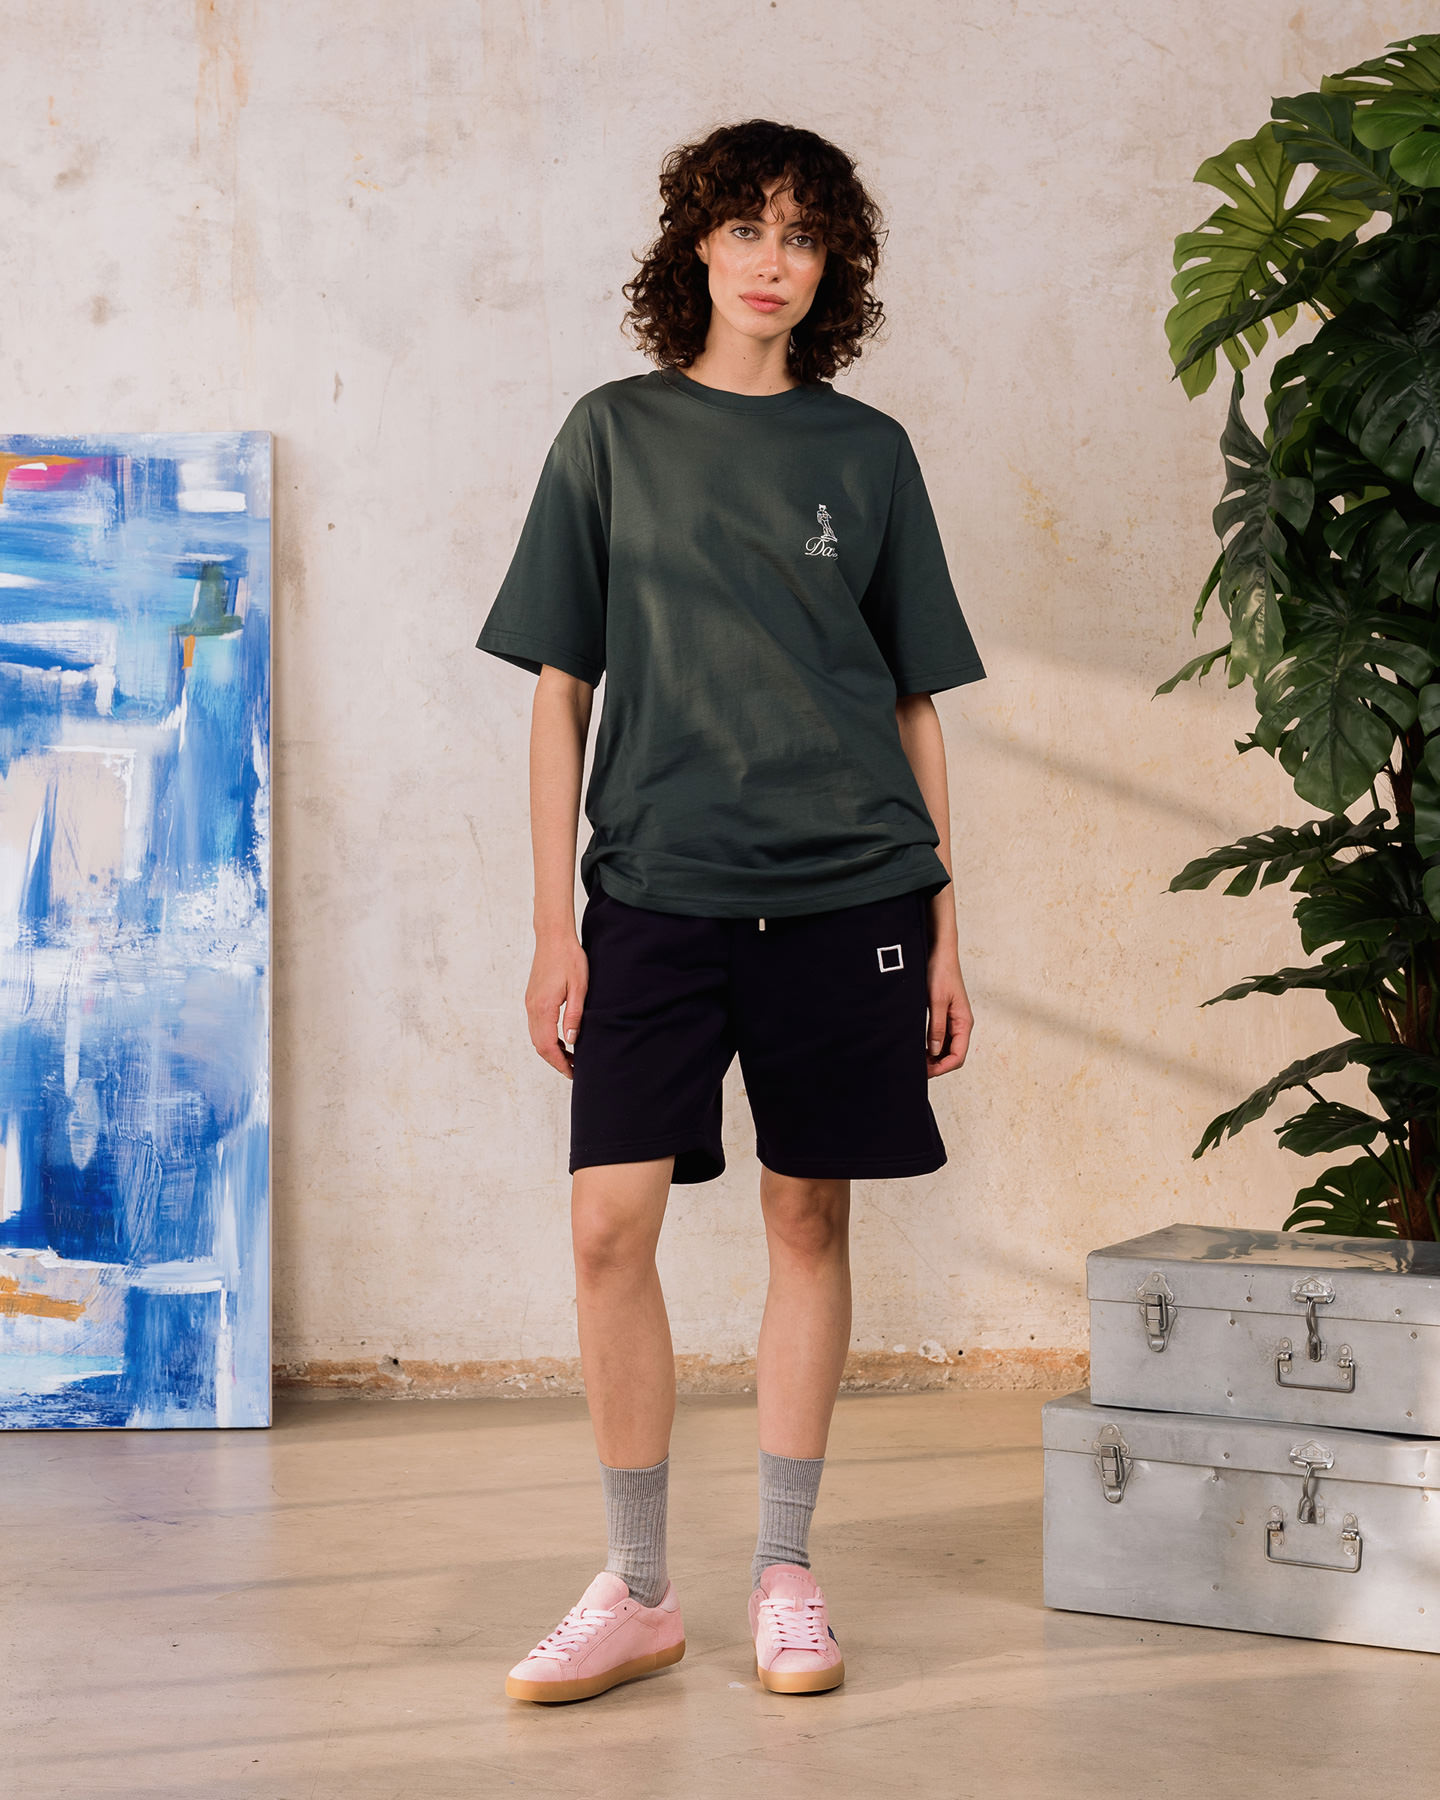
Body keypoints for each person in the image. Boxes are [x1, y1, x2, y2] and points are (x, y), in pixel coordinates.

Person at [476, 118, 985, 1703]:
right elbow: (560, 691)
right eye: (747, 228)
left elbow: (911, 702)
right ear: (694, 244)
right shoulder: (612, 433)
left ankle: (783, 1570)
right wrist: (554, 926)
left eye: (804, 236)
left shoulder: (868, 451)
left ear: (835, 268)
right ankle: (639, 1590)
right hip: (655, 891)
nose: (774, 261)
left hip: (851, 888)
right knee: (606, 1225)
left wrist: (947, 929)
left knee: (806, 1216)